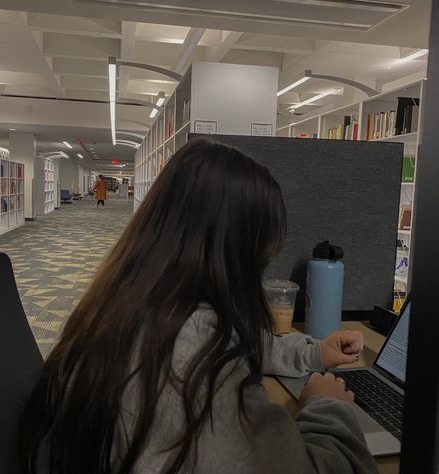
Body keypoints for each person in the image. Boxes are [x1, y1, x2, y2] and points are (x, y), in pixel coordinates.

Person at [20, 138, 378, 474]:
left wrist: (314, 353)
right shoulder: (196, 355)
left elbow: (237, 341)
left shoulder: (133, 301)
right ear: (238, 250)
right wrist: (326, 406)